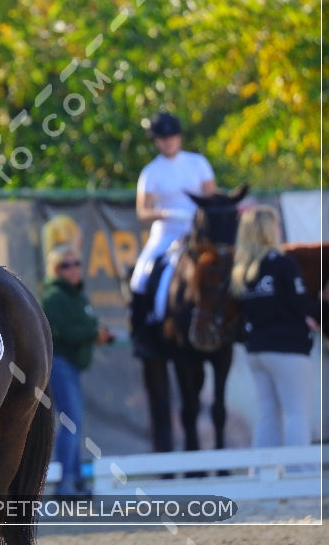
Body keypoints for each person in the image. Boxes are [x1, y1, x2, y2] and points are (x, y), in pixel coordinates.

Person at [128, 111, 216, 454]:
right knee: (141, 275)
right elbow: (142, 211)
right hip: (166, 232)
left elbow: (212, 195)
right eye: (162, 139)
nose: (168, 143)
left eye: (171, 137)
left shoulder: (198, 164)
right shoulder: (151, 171)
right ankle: (143, 333)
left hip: (196, 232)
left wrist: (199, 216)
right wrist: (165, 214)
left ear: (179, 136)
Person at [230, 205, 321, 447]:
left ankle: (262, 473)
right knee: (296, 414)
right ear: (268, 231)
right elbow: (300, 304)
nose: (279, 230)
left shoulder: (242, 271)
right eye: (275, 225)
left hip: (257, 350)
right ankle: (299, 474)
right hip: (287, 350)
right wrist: (325, 303)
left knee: (268, 416)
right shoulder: (283, 264)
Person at [39, 244, 113, 496]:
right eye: (65, 265)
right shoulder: (54, 296)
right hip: (60, 364)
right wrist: (95, 333)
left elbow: (82, 324)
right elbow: (63, 331)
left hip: (70, 366)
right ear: (55, 270)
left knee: (73, 424)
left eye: (76, 263)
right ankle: (67, 481)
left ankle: (75, 478)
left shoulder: (75, 295)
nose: (73, 269)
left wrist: (98, 331)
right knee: (70, 424)